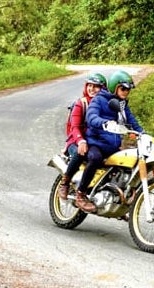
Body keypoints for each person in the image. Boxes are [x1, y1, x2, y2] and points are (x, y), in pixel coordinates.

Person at [74, 69, 143, 213]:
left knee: (127, 163)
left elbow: (133, 122)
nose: (126, 92)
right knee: (95, 158)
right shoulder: (99, 99)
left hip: (112, 145)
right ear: (114, 87)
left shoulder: (123, 105)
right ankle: (80, 194)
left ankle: (119, 199)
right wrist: (104, 123)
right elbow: (91, 116)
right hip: (96, 143)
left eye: (128, 89)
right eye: (123, 88)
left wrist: (144, 135)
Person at [58, 72, 105, 200]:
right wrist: (81, 141)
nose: (92, 89)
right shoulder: (81, 103)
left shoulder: (105, 105)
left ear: (103, 89)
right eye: (90, 85)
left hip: (95, 142)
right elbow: (74, 126)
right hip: (75, 141)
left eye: (96, 86)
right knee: (81, 152)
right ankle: (65, 182)